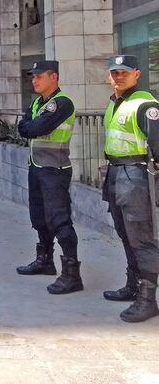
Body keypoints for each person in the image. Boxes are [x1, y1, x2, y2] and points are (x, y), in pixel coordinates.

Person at [101, 54, 159, 322]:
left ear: (137, 74)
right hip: (116, 173)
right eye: (114, 72)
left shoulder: (144, 104)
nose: (118, 76)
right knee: (125, 234)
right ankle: (133, 285)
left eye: (124, 72)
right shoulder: (115, 103)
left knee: (141, 237)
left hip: (136, 175)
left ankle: (148, 299)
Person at [16, 60, 82, 294]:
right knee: (39, 216)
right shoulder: (37, 103)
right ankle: (45, 260)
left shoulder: (62, 104)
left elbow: (34, 129)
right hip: (37, 167)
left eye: (39, 76)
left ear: (53, 77)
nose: (34, 80)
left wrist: (29, 126)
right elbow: (22, 127)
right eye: (33, 76)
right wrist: (29, 126)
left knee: (59, 219)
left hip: (54, 169)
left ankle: (72, 274)